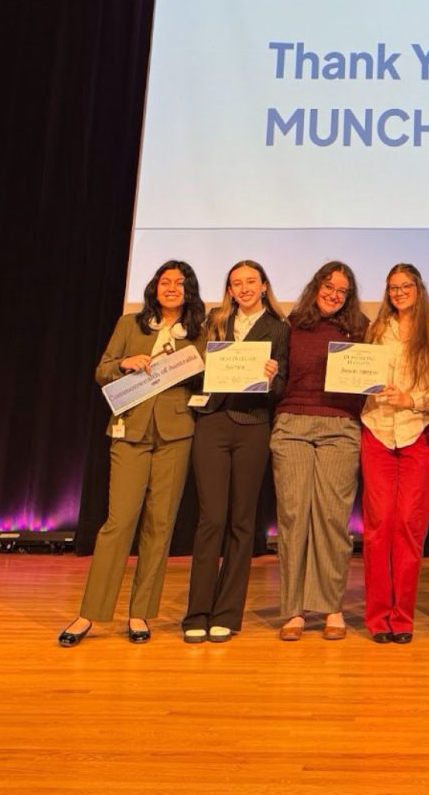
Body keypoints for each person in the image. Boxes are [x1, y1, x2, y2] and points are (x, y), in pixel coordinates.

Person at [58, 260, 206, 646]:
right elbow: (102, 370)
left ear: (189, 290)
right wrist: (125, 363)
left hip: (176, 433)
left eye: (179, 282)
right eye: (165, 281)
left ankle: (140, 613)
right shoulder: (130, 324)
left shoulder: (199, 333)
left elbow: (211, 376)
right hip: (130, 431)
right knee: (118, 522)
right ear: (154, 288)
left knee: (160, 526)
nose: (171, 287)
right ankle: (89, 614)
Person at [182, 260, 288, 643]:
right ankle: (197, 612)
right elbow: (195, 367)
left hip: (252, 427)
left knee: (242, 523)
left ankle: (227, 613)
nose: (243, 288)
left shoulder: (279, 328)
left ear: (263, 286)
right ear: (229, 289)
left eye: (250, 282)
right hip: (211, 423)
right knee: (211, 519)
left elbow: (282, 387)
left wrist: (273, 377)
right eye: (235, 283)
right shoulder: (215, 321)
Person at [270, 261, 369, 641]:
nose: (333, 294)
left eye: (342, 290)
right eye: (328, 286)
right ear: (316, 286)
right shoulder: (291, 325)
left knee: (331, 519)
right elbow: (279, 377)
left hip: (340, 427)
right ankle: (294, 611)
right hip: (292, 424)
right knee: (294, 516)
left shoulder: (360, 329)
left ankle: (331, 607)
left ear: (349, 296)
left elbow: (370, 379)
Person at [361, 263, 429, 644]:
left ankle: (402, 617)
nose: (398, 293)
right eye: (392, 287)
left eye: (405, 286)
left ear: (418, 287)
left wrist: (413, 400)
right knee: (379, 528)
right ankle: (378, 618)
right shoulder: (376, 331)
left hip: (418, 435)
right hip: (377, 431)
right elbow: (357, 377)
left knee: (409, 528)